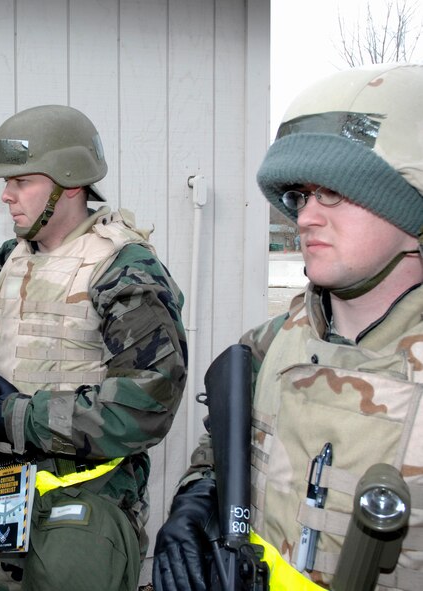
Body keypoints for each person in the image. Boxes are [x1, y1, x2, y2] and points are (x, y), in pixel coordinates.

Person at [152, 62, 423, 591]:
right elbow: (223, 447)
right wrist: (197, 500)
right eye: (302, 196)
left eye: (336, 194)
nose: (303, 218)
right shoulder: (268, 344)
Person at [0, 105, 187, 591]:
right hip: (11, 492)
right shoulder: (11, 258)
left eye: (22, 180)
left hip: (87, 498)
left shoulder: (123, 270)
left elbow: (146, 406)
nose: (6, 195)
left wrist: (12, 416)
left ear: (69, 182)